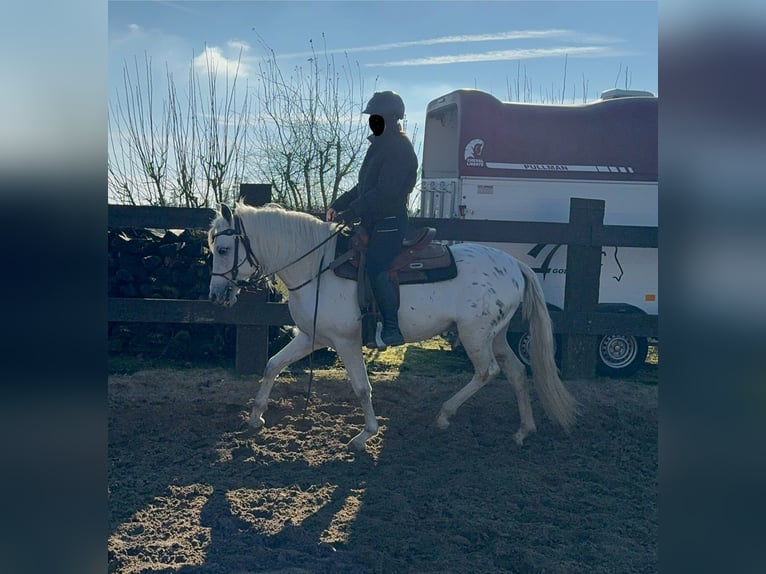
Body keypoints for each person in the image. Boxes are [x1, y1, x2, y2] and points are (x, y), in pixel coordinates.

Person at [326, 91, 418, 347]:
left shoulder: (399, 150)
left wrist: (351, 212)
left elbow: (384, 193)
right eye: (371, 117)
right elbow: (363, 188)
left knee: (377, 266)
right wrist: (338, 205)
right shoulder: (379, 147)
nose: (372, 121)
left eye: (376, 116)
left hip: (389, 222)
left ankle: (391, 327)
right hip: (373, 221)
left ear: (390, 118)